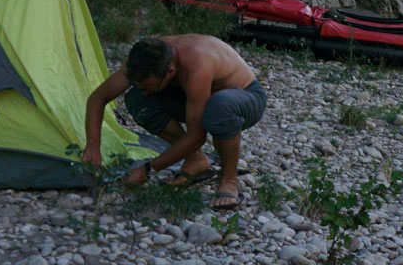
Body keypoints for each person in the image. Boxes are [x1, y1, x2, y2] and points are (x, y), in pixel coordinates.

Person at [83, 34, 266, 210]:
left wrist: (147, 169)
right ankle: (196, 160)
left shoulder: (197, 65)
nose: (145, 91)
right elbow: (98, 98)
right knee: (136, 100)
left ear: (170, 72)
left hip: (246, 97)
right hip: (202, 97)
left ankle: (229, 180)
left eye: (148, 87)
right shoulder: (146, 57)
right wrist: (93, 146)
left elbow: (197, 136)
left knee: (219, 108)